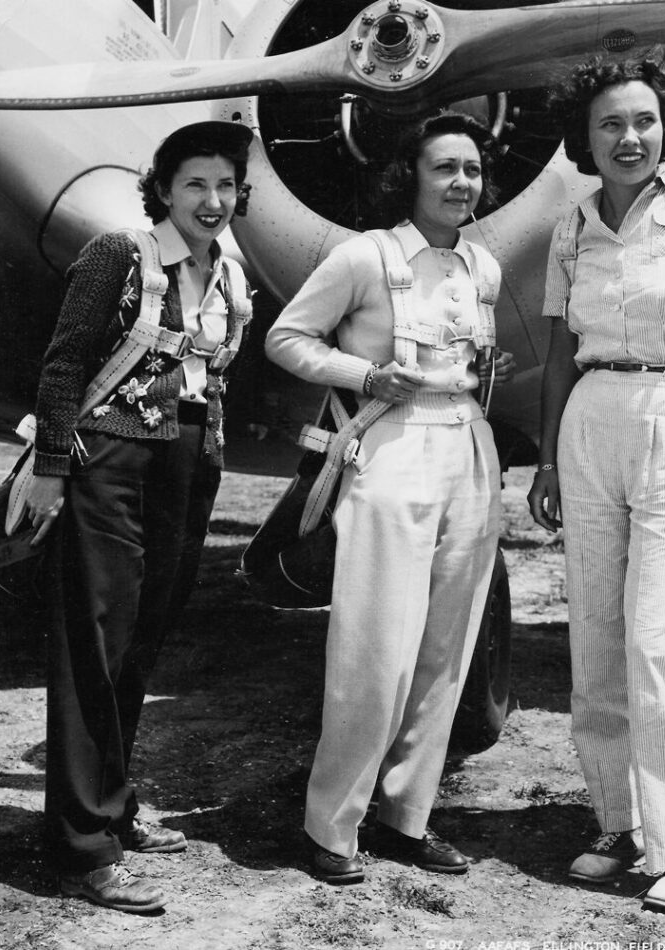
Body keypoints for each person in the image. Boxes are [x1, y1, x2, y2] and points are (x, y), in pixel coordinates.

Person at [527, 49, 665, 911]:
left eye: (645, 121)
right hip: (592, 416)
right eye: (611, 124)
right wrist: (548, 457)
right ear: (584, 138)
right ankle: (618, 825)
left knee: (663, 646)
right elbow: (556, 356)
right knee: (594, 640)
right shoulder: (573, 228)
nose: (630, 137)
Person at [265, 112, 514, 885]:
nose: (460, 183)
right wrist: (366, 377)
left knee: (446, 651)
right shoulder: (365, 257)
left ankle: (407, 818)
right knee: (376, 647)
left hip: (468, 448)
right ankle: (331, 826)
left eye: (471, 169)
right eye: (444, 168)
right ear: (410, 174)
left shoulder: (484, 267)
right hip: (391, 447)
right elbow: (286, 338)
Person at [26, 120, 253, 913]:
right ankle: (82, 844)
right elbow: (60, 367)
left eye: (225, 185)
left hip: (189, 465)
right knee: (95, 639)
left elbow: (214, 376)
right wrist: (53, 470)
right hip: (107, 463)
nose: (212, 200)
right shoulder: (118, 255)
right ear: (162, 188)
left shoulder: (229, 270)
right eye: (194, 184)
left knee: (143, 636)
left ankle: (114, 807)